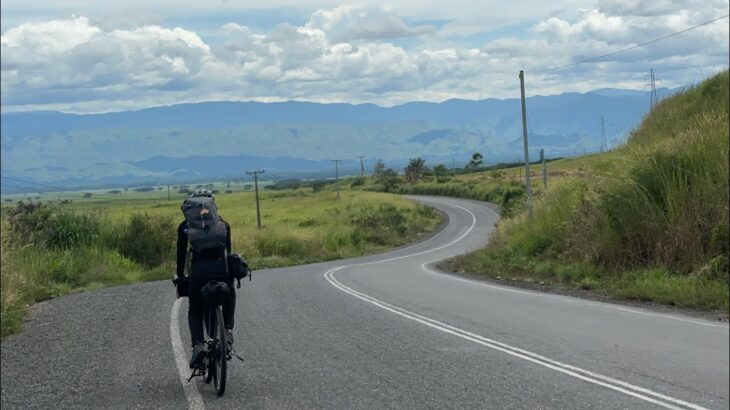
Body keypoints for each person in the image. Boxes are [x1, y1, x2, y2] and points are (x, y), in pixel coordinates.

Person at [176, 188, 236, 368]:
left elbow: (181, 255)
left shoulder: (185, 226)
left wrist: (180, 276)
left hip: (199, 271)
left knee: (195, 309)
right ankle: (227, 330)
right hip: (220, 269)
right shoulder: (223, 224)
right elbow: (228, 252)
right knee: (229, 292)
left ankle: (198, 345)